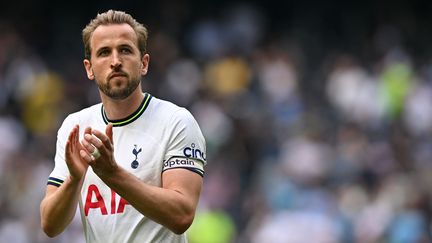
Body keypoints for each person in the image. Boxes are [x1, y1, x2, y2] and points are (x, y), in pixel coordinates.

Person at [40, 10, 207, 243]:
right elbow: (50, 225)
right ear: (89, 68)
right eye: (104, 53)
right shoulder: (75, 126)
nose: (116, 61)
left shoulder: (176, 121)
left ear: (144, 63)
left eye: (125, 50)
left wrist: (112, 173)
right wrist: (74, 180)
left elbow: (182, 215)